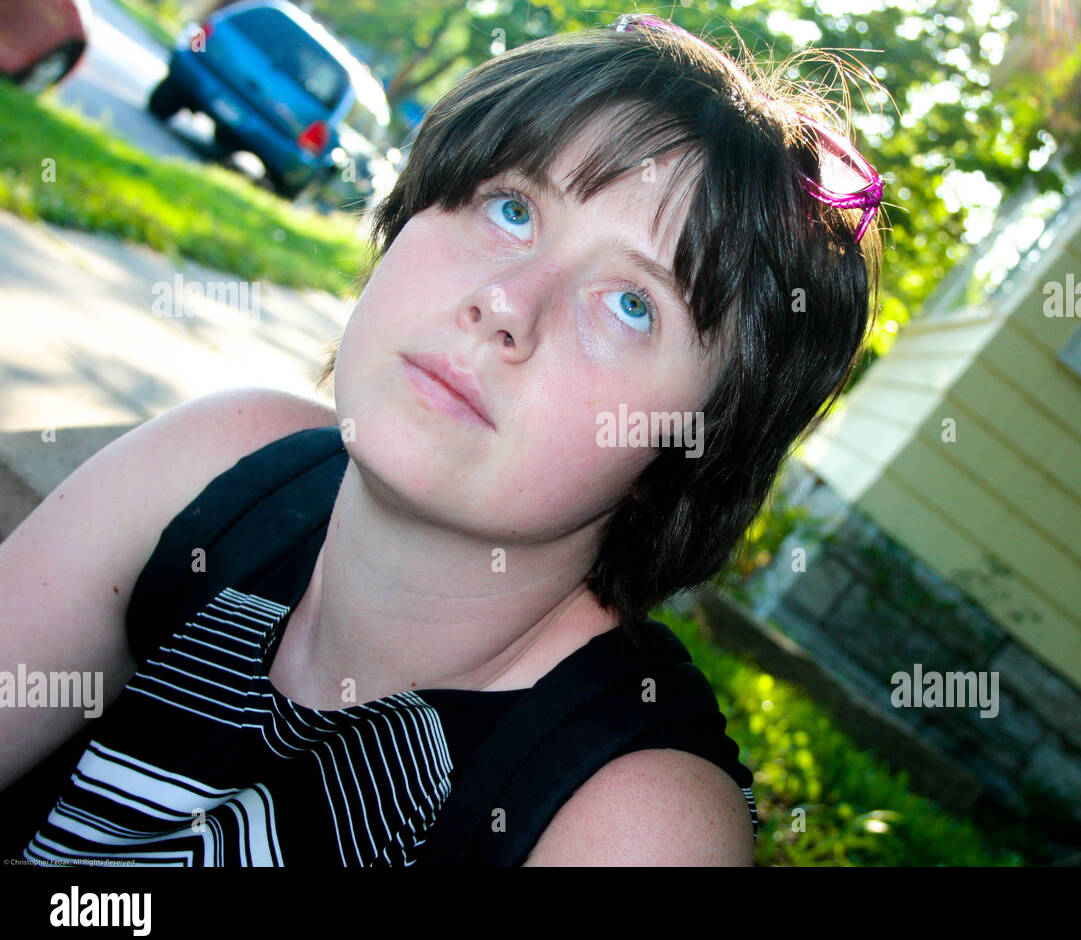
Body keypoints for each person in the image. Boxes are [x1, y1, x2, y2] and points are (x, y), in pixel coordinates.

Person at [0, 13, 883, 866]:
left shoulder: (629, 820)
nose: (507, 302)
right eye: (511, 208)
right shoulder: (223, 460)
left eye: (630, 305)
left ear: (687, 457)